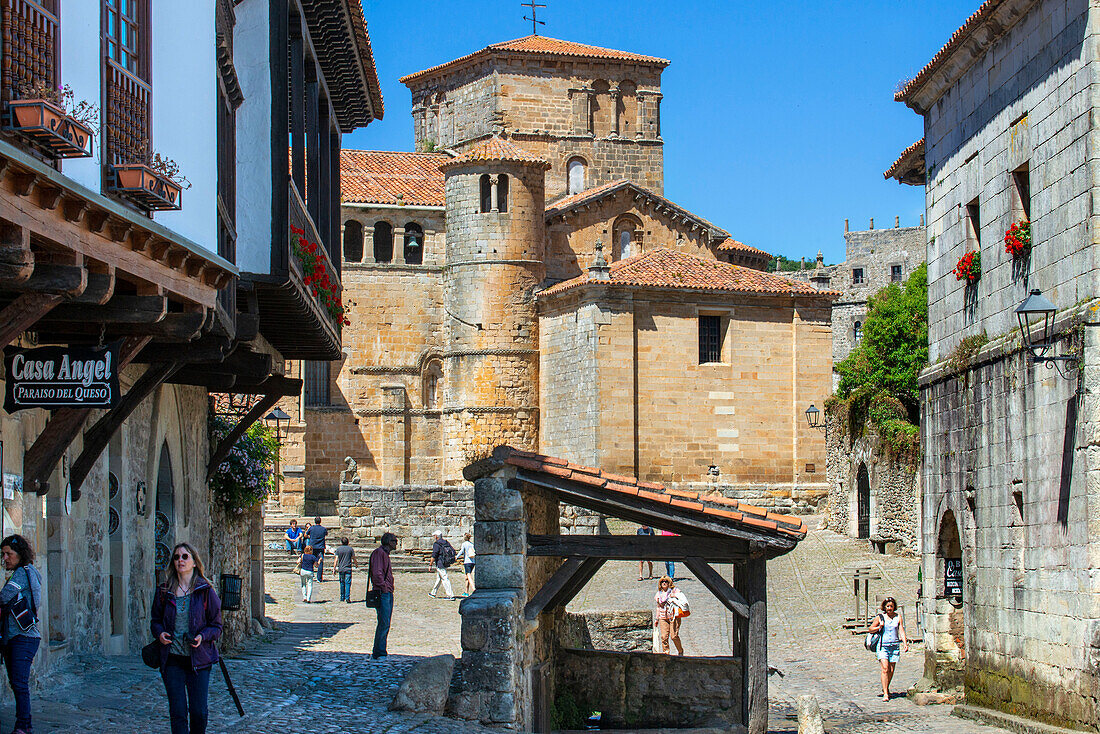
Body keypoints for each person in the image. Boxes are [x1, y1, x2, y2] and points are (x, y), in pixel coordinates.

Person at [150, 542, 223, 734]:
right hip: (172, 659)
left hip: (198, 661)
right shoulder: (164, 590)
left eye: (185, 556)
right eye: (176, 557)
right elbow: (155, 621)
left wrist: (202, 636)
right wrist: (160, 633)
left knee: (199, 712)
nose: (180, 560)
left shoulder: (205, 591)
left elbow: (216, 626)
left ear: (194, 562)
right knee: (178, 712)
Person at [0, 535, 41, 734]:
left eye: (9, 554)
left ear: (20, 554)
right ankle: (25, 724)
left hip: (23, 638)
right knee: (17, 683)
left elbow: (4, 596)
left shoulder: (22, 574)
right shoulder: (26, 572)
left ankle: (23, 726)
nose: (5, 558)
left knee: (19, 683)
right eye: (3, 554)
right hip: (18, 637)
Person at [868, 597, 909, 701]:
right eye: (887, 606)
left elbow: (901, 630)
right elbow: (870, 629)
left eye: (891, 606)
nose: (889, 608)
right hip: (883, 646)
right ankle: (886, 693)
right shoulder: (880, 617)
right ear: (884, 607)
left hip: (894, 646)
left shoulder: (898, 617)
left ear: (894, 606)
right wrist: (879, 627)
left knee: (891, 670)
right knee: (885, 668)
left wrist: (905, 643)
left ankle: (885, 687)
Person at [369, 533, 398, 659]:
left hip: (386, 592)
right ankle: (379, 651)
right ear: (388, 541)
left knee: (385, 622)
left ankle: (380, 649)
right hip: (383, 593)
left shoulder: (384, 554)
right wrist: (384, 587)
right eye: (394, 540)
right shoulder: (379, 554)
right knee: (384, 622)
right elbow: (377, 573)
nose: (396, 543)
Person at [654, 575, 683, 655]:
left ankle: (680, 651)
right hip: (663, 617)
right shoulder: (658, 594)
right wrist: (656, 619)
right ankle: (666, 653)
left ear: (669, 583)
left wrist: (675, 596)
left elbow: (682, 599)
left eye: (665, 581)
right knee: (664, 637)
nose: (664, 583)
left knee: (674, 636)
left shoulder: (675, 591)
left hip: (673, 617)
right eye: (662, 582)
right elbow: (658, 607)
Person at [428, 530, 455, 600]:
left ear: (436, 536)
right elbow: (453, 551)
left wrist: (430, 564)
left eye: (434, 536)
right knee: (439, 578)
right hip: (445, 562)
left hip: (440, 563)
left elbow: (434, 555)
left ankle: (450, 595)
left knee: (445, 578)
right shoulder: (446, 542)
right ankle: (433, 592)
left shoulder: (437, 544)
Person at [305, 517, 328, 581]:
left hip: (313, 547)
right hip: (320, 547)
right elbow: (326, 534)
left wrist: (310, 537)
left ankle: (310, 576)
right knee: (320, 561)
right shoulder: (323, 529)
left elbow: (305, 535)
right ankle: (319, 578)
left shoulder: (311, 528)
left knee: (310, 561)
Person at [334, 537, 356, 603]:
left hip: (341, 568)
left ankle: (342, 597)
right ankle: (347, 597)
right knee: (348, 583)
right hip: (348, 568)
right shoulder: (350, 549)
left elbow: (336, 559)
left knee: (342, 583)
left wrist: (334, 568)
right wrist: (356, 564)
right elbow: (353, 558)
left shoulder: (338, 549)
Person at [459, 532, 475, 596]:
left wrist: (456, 557)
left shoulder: (464, 544)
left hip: (467, 562)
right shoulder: (472, 544)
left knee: (468, 575)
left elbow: (461, 551)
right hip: (473, 562)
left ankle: (474, 589)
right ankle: (466, 591)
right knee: (466, 577)